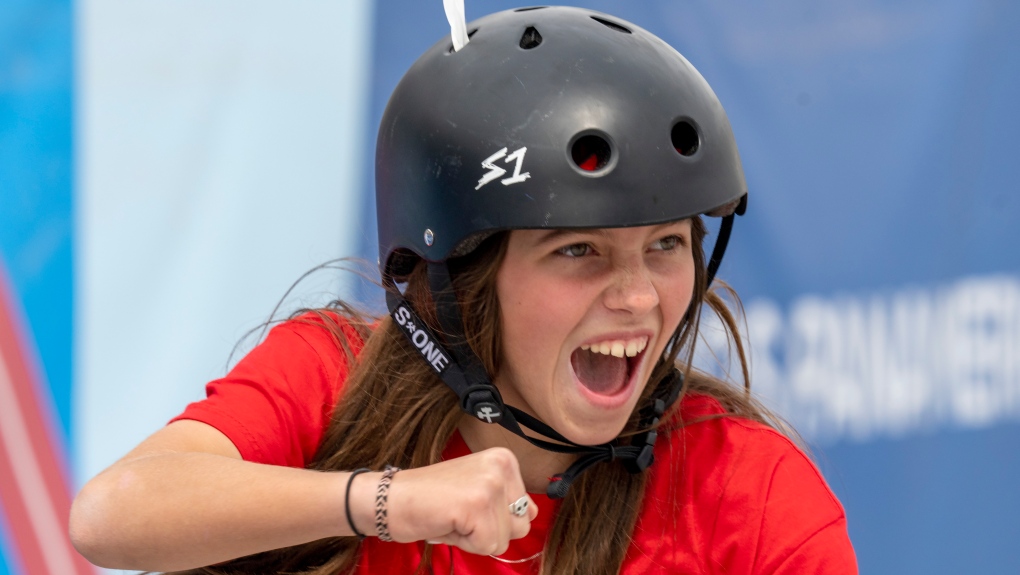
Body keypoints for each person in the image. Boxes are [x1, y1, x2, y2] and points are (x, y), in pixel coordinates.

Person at [70, 6, 857, 574]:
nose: (641, 297)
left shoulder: (748, 489)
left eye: (663, 246)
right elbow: (112, 515)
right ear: (460, 284)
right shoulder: (331, 376)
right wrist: (390, 502)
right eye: (578, 250)